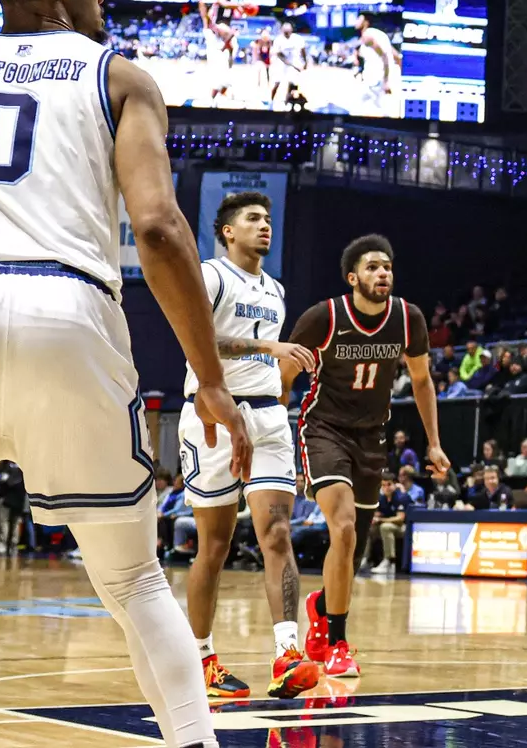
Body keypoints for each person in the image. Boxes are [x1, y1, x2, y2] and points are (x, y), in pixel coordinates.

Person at [0, 0, 252, 748]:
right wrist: (208, 378)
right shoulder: (117, 75)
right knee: (135, 579)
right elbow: (161, 228)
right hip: (67, 311)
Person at [178, 191, 321, 701]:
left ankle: (288, 653)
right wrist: (268, 346)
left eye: (268, 219)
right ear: (227, 232)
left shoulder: (276, 289)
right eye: (253, 219)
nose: (265, 226)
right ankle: (201, 660)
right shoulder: (212, 275)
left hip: (267, 416)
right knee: (212, 548)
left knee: (277, 532)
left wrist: (282, 378)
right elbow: (195, 338)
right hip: (213, 415)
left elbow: (268, 362)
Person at [286, 235, 448, 679]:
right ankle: (338, 641)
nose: (383, 274)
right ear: (353, 277)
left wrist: (433, 442)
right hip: (323, 429)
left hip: (372, 436)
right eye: (374, 267)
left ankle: (322, 608)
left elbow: (421, 381)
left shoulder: (407, 318)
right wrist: (277, 445)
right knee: (340, 526)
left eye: (388, 267)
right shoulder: (324, 316)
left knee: (352, 544)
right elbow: (284, 377)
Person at [369, 473, 410, 575]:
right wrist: (374, 518)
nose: (386, 487)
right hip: (390, 526)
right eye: (383, 485)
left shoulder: (401, 497)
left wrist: (381, 520)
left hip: (406, 528)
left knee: (385, 527)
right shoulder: (382, 498)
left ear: (395, 485)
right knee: (369, 528)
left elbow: (400, 519)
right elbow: (378, 513)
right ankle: (366, 559)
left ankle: (389, 562)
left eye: (389, 484)